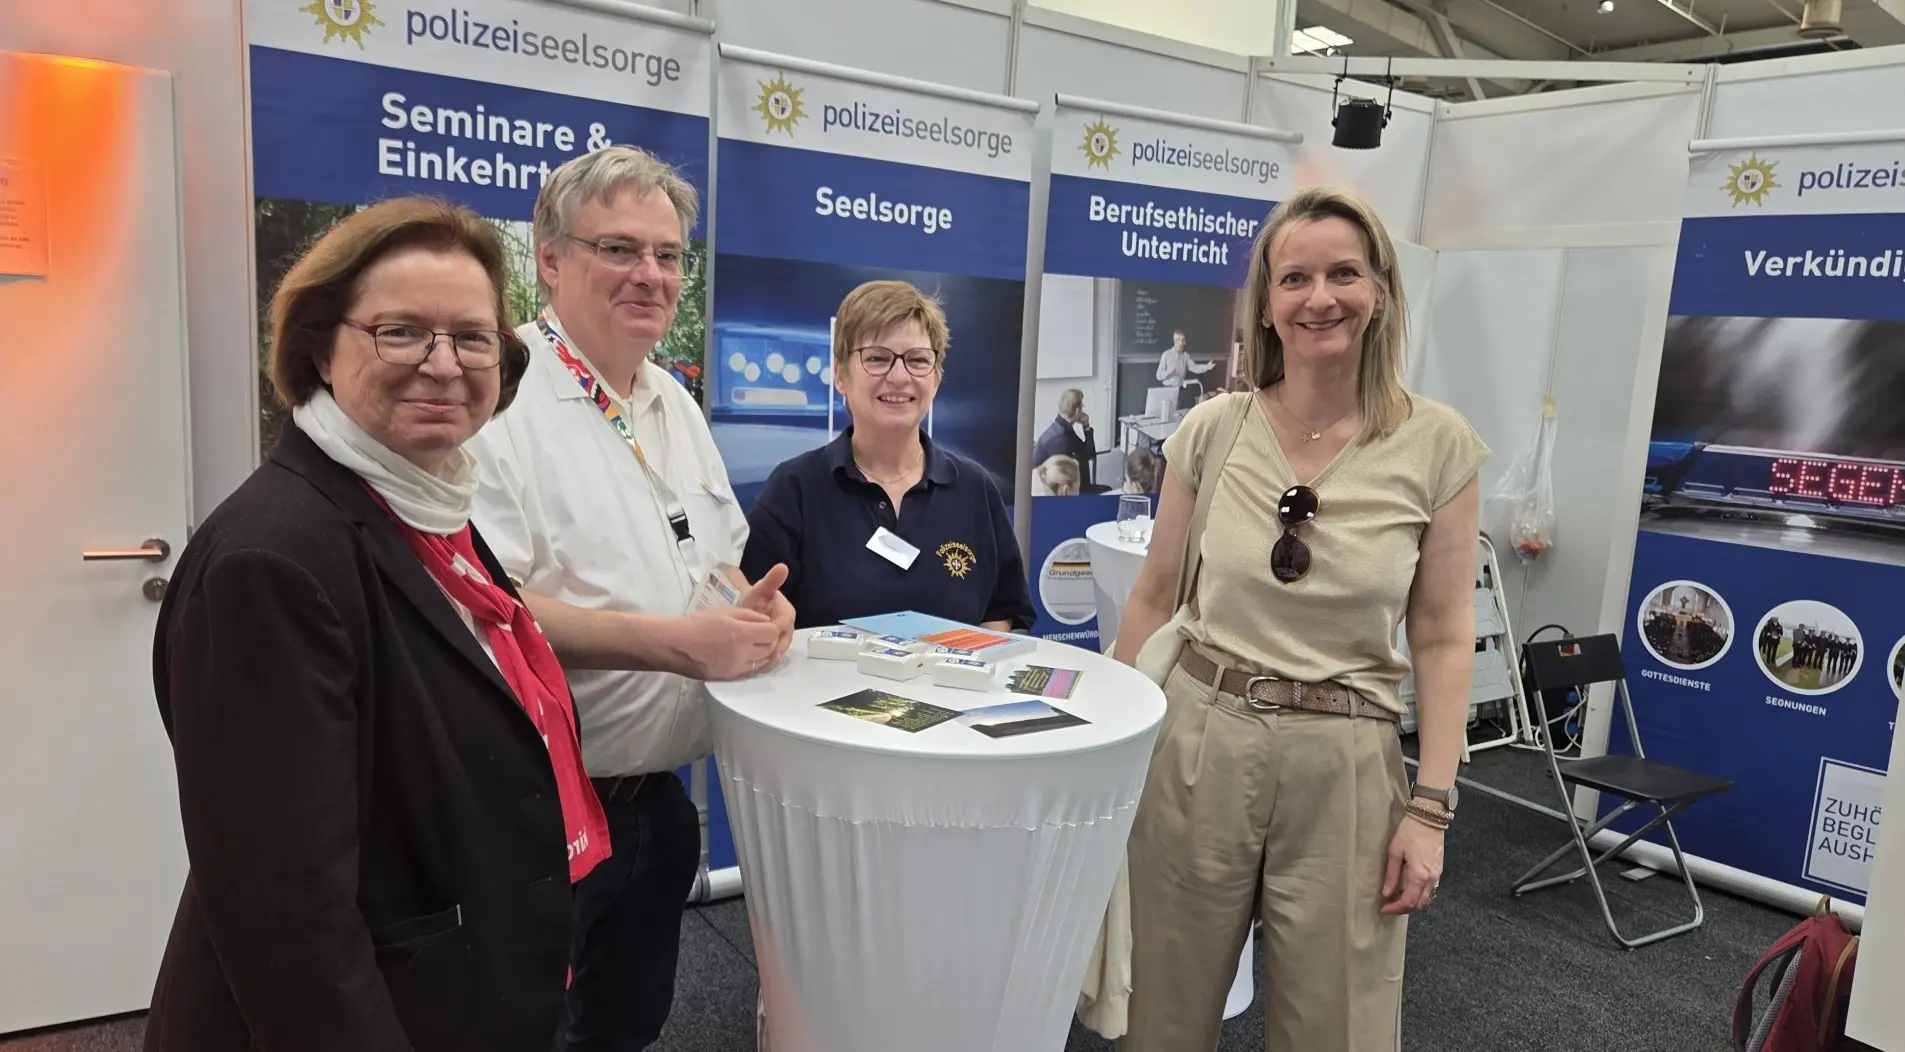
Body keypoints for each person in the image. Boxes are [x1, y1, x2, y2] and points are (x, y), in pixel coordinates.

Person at [143, 197, 604, 1052]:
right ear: (320, 347)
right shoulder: (270, 565)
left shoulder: (425, 508)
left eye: (471, 338)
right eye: (400, 332)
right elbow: (290, 922)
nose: (443, 365)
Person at [1110, 185, 1488, 1052]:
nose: (1320, 297)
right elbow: (1154, 593)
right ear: (1268, 306)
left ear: (1381, 290)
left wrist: (1429, 808)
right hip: (1200, 739)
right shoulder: (1211, 430)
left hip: (1346, 758)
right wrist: (1115, 751)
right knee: (1159, 1011)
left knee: (1339, 1025)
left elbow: (1439, 632)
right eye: (1295, 279)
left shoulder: (1438, 446)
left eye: (1343, 274)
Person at [464, 145, 795, 1052]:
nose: (649, 275)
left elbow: (721, 561)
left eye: (667, 254)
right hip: (540, 811)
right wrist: (676, 644)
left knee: (626, 1027)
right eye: (619, 249)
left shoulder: (670, 401)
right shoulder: (497, 399)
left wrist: (760, 609)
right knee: (516, 1029)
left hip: (658, 802)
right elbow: (487, 613)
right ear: (550, 258)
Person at [740, 279, 1035, 633]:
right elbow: (755, 616)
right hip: (828, 689)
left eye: (918, 360)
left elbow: (1003, 609)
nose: (899, 377)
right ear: (839, 374)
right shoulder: (794, 491)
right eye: (878, 358)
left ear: (937, 378)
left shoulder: (974, 490)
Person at [1033, 387, 1097, 486]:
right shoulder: (1061, 438)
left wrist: (1086, 427)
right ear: (1077, 410)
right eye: (1082, 406)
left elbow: (1088, 453)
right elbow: (1066, 478)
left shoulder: (1062, 428)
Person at [1154, 328, 1215, 411]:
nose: (1184, 343)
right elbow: (1158, 376)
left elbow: (1194, 367)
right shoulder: (1166, 355)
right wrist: (1168, 372)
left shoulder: (1185, 356)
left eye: (1184, 341)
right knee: (1166, 414)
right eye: (1182, 341)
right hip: (1167, 390)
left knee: (1177, 413)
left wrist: (1206, 367)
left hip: (1179, 391)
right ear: (1176, 341)